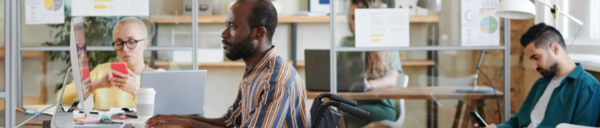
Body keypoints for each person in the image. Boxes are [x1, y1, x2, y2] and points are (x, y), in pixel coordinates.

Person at [145, 0, 311, 128]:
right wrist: (178, 119)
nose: (224, 34)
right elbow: (231, 121)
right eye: (226, 25)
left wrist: (188, 124)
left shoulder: (275, 81)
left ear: (259, 32)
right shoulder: (255, 70)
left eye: (233, 27)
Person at [474, 23, 600, 128]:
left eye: (536, 58)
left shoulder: (588, 87)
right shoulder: (541, 83)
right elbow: (516, 122)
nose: (534, 66)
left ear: (555, 49)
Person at [57, 17, 164, 110]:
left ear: (145, 44)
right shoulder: (101, 72)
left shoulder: (159, 76)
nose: (125, 49)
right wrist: (97, 84)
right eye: (119, 43)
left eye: (131, 42)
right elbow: (61, 98)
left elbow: (166, 111)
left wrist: (136, 91)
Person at [341, 0, 403, 127]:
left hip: (381, 107)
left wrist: (369, 84)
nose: (355, 22)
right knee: (325, 114)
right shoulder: (345, 44)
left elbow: (393, 78)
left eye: (360, 17)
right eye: (353, 17)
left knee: (340, 119)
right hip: (352, 105)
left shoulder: (386, 42)